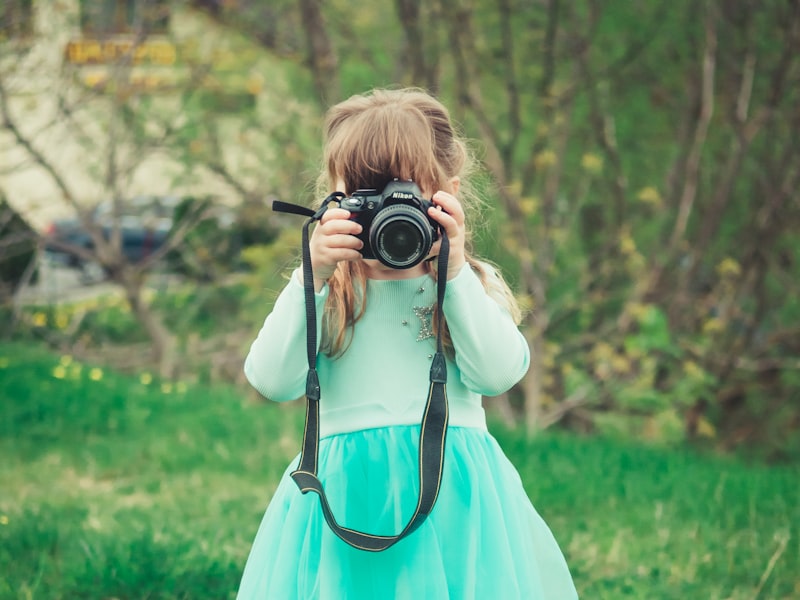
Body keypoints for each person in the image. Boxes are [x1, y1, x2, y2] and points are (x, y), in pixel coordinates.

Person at [237, 87, 578, 599]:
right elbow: (271, 381)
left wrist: (456, 271)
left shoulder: (467, 285)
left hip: (452, 500)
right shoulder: (331, 292)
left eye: (405, 196)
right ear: (330, 199)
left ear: (449, 196)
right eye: (363, 199)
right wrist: (312, 275)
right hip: (345, 500)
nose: (386, 217)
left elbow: (500, 373)